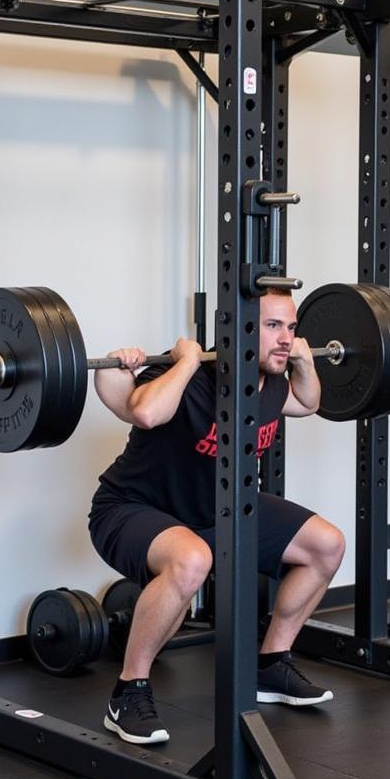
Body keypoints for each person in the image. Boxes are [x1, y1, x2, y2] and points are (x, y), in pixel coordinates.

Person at [88, 288, 346, 745]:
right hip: (132, 509)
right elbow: (144, 411)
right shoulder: (189, 376)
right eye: (272, 327)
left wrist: (304, 360)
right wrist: (186, 360)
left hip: (217, 511)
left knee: (327, 544)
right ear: (237, 329)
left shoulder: (274, 379)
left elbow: (309, 403)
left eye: (291, 327)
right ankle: (128, 692)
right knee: (192, 561)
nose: (285, 338)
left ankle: (271, 665)